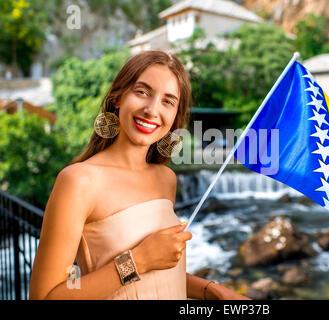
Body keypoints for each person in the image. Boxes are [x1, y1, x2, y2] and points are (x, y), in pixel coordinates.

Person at [29, 50, 249, 300]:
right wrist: (137, 261)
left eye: (168, 101)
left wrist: (210, 290)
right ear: (117, 98)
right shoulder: (79, 181)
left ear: (176, 115)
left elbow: (156, 276)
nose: (152, 110)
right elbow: (45, 296)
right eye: (142, 92)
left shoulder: (166, 179)